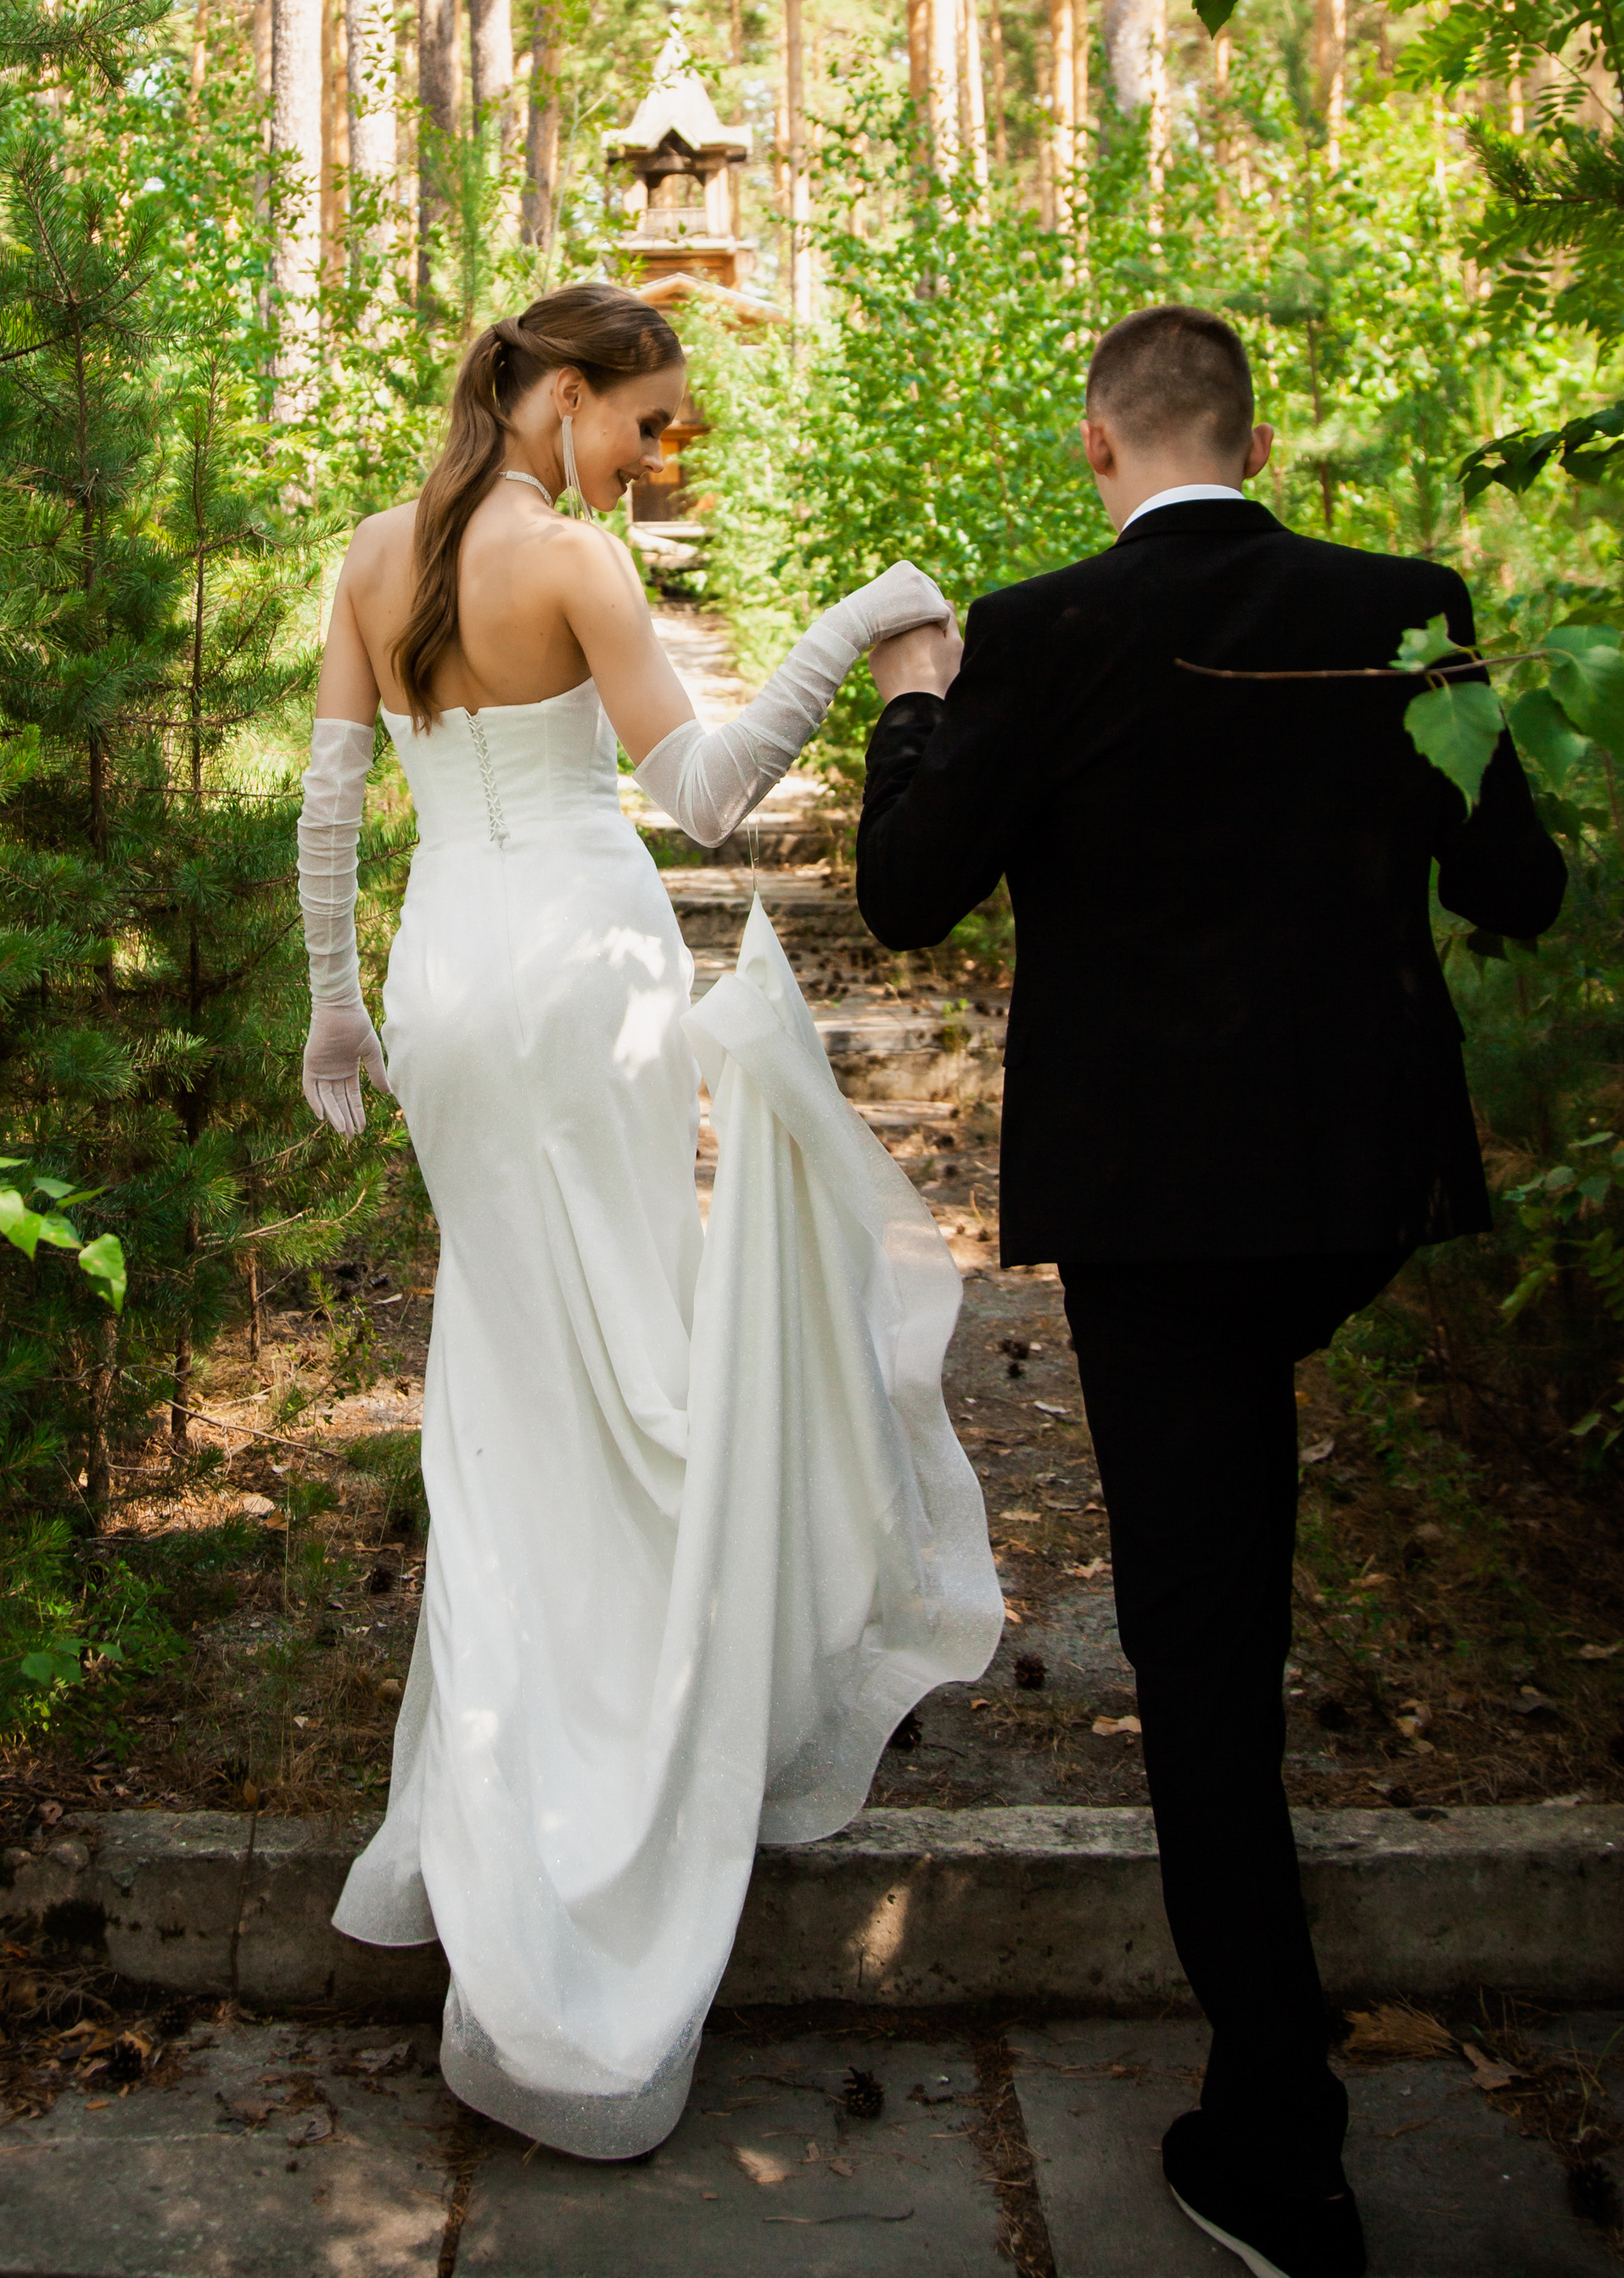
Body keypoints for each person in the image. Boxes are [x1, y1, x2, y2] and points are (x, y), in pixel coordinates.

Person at [854, 303, 1566, 2278]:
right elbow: (1521, 888)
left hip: (1159, 1215)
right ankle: (1267, 2097)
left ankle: (1277, 2130)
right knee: (1230, 1523)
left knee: (1201, 1647)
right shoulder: (1404, 605)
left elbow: (905, 884)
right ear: (1253, 439)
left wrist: (918, 694)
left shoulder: (1043, 625)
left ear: (1099, 447)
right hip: (1347, 1191)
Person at [298, 282, 1000, 2160]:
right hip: (580, 964)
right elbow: (696, 800)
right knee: (623, 1340)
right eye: (641, 418)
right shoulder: (579, 564)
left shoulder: (372, 556)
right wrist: (859, 625)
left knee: (511, 1350)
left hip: (445, 971)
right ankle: (617, 1744)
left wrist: (334, 997)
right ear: (555, 388)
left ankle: (501, 1767)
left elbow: (329, 795)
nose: (648, 452)